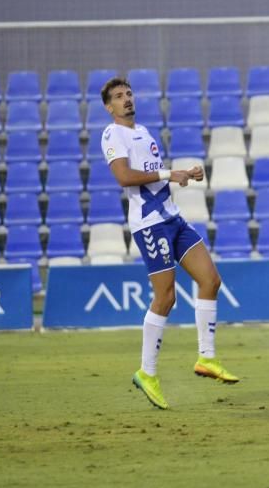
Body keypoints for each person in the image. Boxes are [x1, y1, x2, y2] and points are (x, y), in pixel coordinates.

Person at [100, 77, 238, 410]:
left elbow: (153, 176)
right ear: (109, 107)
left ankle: (206, 358)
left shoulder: (144, 133)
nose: (127, 99)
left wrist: (184, 174)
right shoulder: (112, 134)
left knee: (210, 280)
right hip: (150, 225)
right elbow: (124, 178)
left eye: (129, 93)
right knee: (166, 296)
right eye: (119, 97)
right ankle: (147, 373)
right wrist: (168, 174)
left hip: (173, 219)